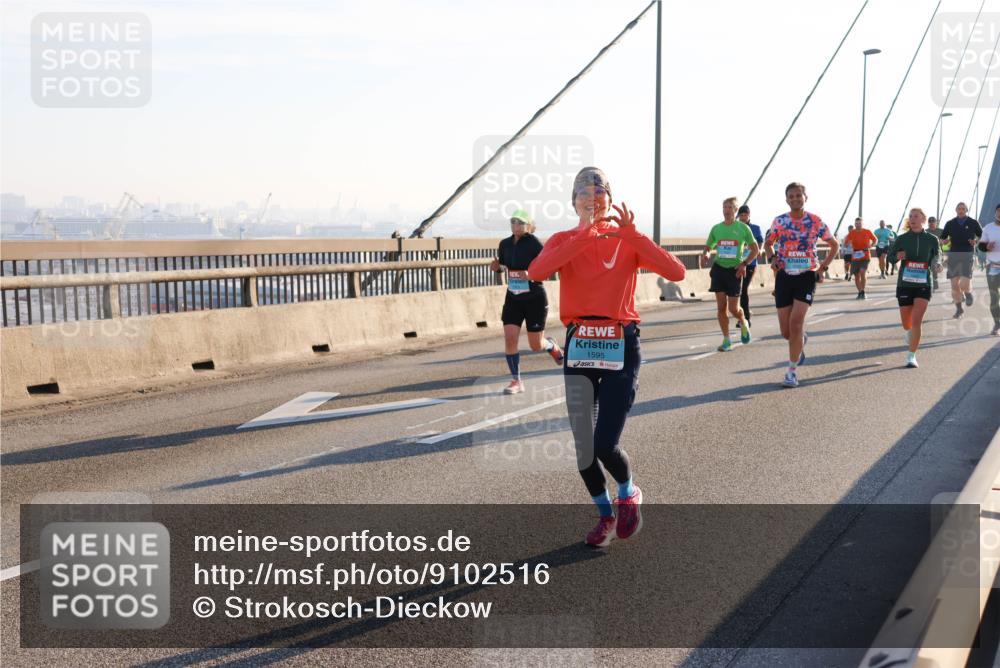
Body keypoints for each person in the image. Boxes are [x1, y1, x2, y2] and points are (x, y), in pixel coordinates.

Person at [527, 166, 685, 547]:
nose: (592, 198)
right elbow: (536, 271)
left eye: (600, 193)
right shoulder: (564, 239)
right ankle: (604, 515)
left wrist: (634, 236)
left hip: (620, 343)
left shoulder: (626, 239)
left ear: (611, 200)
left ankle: (628, 492)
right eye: (584, 192)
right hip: (580, 344)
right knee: (583, 450)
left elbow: (677, 272)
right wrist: (583, 237)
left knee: (603, 444)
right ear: (573, 202)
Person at [763, 182, 839, 388]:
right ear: (786, 199)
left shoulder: (815, 221)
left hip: (806, 275)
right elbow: (768, 243)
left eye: (799, 195)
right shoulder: (780, 221)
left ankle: (791, 372)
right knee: (786, 332)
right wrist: (772, 259)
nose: (795, 199)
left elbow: (834, 245)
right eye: (791, 196)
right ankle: (800, 340)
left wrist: (822, 267)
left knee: (796, 323)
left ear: (806, 197)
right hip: (784, 276)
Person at [490, 209, 563, 394]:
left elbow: (549, 268)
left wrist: (530, 275)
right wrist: (497, 269)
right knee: (510, 338)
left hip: (534, 298)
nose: (516, 225)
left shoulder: (534, 244)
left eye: (521, 222)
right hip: (513, 297)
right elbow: (506, 267)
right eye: (513, 221)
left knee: (535, 345)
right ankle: (516, 381)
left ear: (529, 226)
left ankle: (551, 346)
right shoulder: (504, 244)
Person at [700, 197, 759, 351]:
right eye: (724, 207)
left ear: (735, 210)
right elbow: (708, 246)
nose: (726, 210)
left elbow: (755, 249)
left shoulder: (743, 228)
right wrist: (706, 254)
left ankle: (743, 321)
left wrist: (744, 263)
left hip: (735, 270)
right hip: (719, 269)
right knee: (721, 307)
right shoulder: (716, 228)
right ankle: (726, 340)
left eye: (730, 207)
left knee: (733, 309)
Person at [888, 208, 940, 368]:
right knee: (907, 324)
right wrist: (897, 256)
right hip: (905, 284)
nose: (912, 219)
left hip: (923, 284)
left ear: (923, 219)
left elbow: (937, 255)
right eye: (910, 216)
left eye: (916, 216)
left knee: (917, 321)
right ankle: (909, 334)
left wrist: (937, 263)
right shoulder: (902, 239)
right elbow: (890, 257)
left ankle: (911, 356)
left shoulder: (931, 239)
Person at [941, 202, 983, 318]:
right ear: (956, 210)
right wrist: (944, 241)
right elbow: (943, 237)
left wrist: (976, 241)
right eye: (959, 208)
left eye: (963, 208)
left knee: (964, 284)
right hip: (953, 254)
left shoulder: (973, 222)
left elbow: (982, 235)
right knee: (954, 285)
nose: (961, 210)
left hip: (967, 254)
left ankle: (968, 293)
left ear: (966, 210)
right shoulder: (950, 223)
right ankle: (959, 310)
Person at [737, 204, 765, 327]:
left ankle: (746, 319)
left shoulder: (755, 228)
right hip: (737, 263)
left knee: (743, 290)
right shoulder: (735, 227)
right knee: (735, 292)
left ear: (749, 215)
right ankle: (743, 314)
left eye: (745, 215)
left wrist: (759, 250)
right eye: (741, 215)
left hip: (751, 263)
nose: (743, 217)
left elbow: (760, 241)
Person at [979, 204, 1000, 336]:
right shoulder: (988, 228)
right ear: (995, 213)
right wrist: (987, 247)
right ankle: (997, 324)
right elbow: (981, 247)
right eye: (998, 211)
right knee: (994, 297)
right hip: (993, 266)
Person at [845, 217, 877, 299]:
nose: (857, 225)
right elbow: (846, 243)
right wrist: (848, 243)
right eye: (856, 223)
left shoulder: (867, 231)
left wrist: (871, 245)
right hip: (855, 255)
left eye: (859, 223)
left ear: (862, 224)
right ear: (854, 224)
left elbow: (875, 239)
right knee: (856, 276)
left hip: (865, 254)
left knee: (862, 271)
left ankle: (863, 290)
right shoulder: (852, 232)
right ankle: (860, 292)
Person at [927, 216, 943, 290]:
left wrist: (941, 242)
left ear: (936, 223)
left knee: (934, 265)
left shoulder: (941, 231)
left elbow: (946, 239)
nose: (931, 224)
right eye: (930, 223)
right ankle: (928, 282)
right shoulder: (925, 231)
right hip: (927, 252)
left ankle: (935, 281)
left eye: (933, 223)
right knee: (926, 268)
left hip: (937, 252)